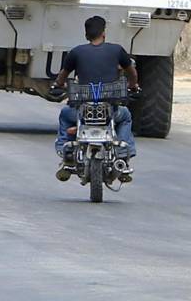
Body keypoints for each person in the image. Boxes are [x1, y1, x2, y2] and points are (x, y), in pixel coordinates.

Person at [52, 16, 139, 180]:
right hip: (110, 111)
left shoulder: (76, 52)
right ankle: (122, 155)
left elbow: (62, 76)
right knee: (125, 116)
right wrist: (133, 85)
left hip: (82, 111)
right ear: (104, 33)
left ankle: (67, 152)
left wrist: (58, 85)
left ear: (86, 35)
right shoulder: (117, 50)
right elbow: (132, 72)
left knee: (65, 114)